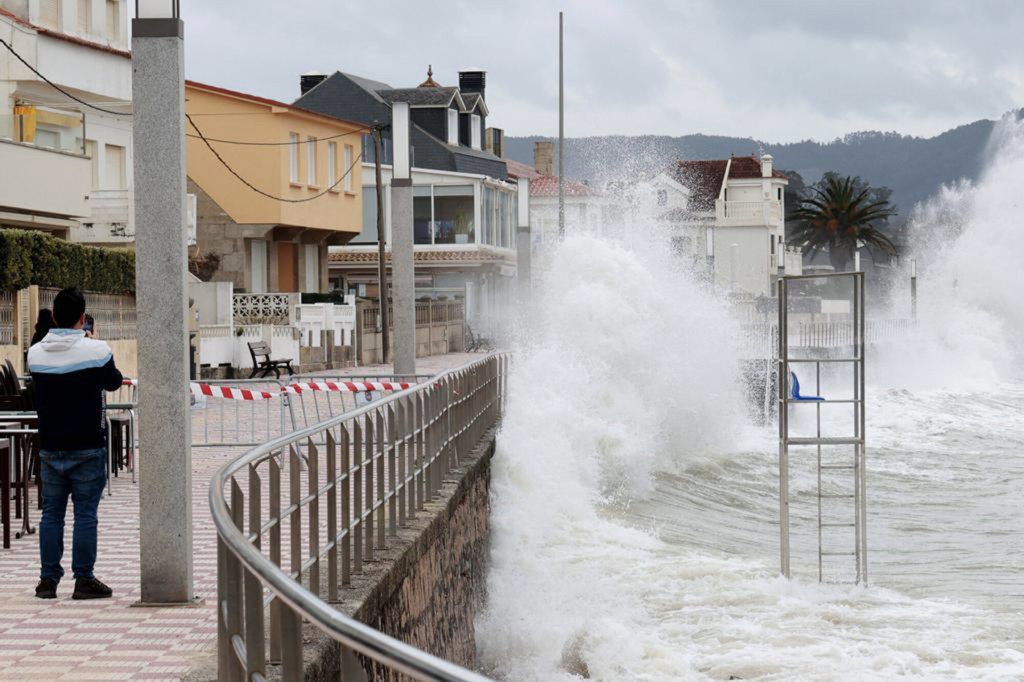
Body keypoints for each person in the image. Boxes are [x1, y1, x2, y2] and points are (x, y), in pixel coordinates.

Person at [28, 288, 123, 600]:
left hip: (51, 445)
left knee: (52, 513)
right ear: (83, 319)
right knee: (85, 513)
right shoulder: (96, 350)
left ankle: (47, 580)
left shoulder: (36, 353)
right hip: (87, 445)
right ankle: (83, 579)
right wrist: (92, 341)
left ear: (54, 316)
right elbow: (113, 380)